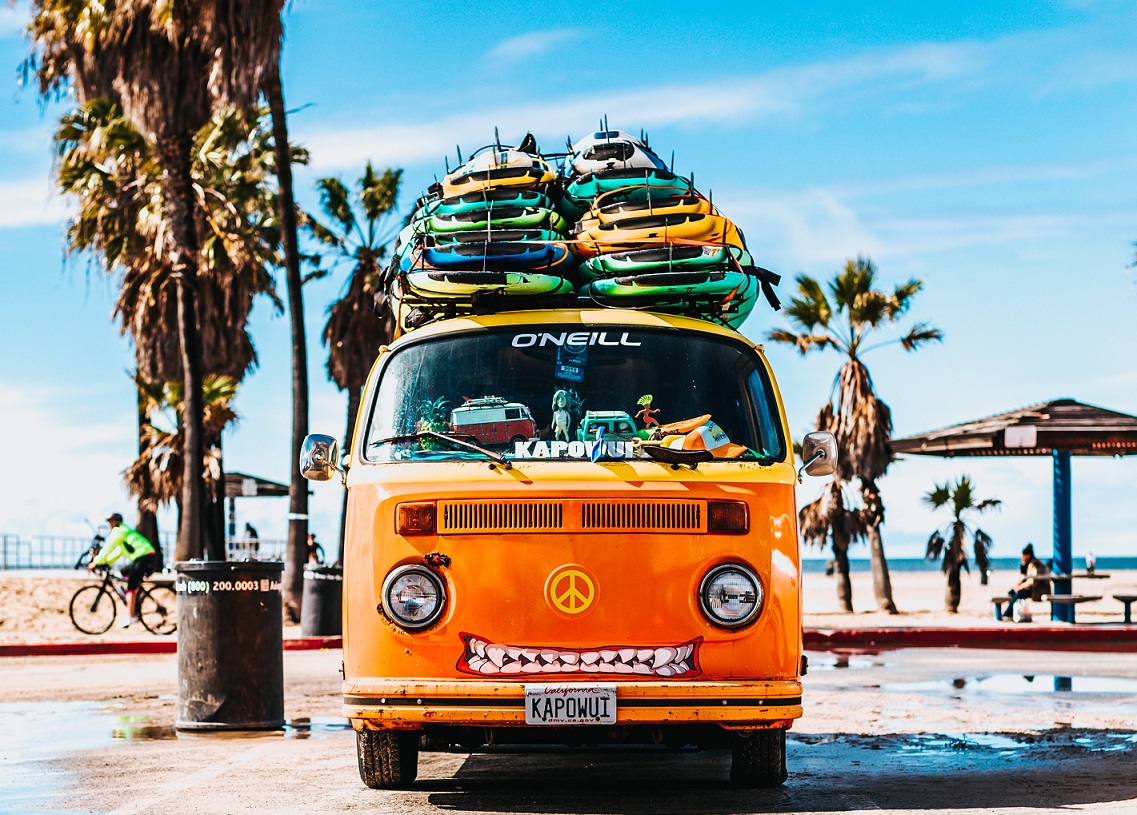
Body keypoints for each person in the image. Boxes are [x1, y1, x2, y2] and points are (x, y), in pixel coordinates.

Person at [89, 512, 159, 627]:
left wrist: (95, 562)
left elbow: (108, 548)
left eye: (111, 522)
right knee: (123, 572)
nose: (109, 524)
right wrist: (105, 562)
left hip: (144, 557)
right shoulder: (123, 532)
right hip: (145, 556)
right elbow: (117, 552)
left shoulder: (119, 531)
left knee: (130, 587)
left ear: (116, 522)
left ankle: (131, 616)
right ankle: (136, 596)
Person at [1003, 543, 1051, 621]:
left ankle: (1007, 613)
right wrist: (1017, 585)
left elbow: (1032, 581)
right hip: (1034, 589)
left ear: (1027, 555)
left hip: (1038, 590)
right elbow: (1024, 579)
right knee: (1012, 592)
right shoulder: (1028, 564)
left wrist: (1020, 587)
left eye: (1023, 556)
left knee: (1018, 593)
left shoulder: (1034, 564)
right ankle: (1011, 612)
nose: (1022, 558)